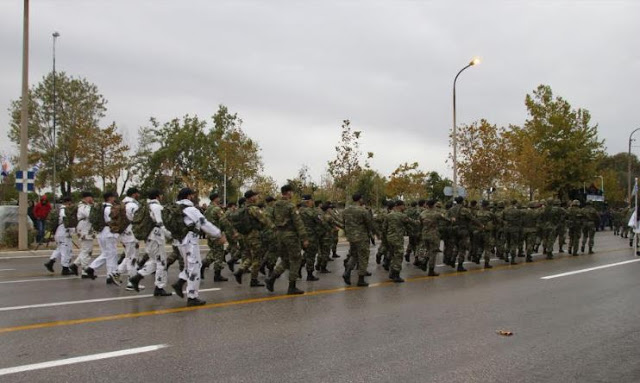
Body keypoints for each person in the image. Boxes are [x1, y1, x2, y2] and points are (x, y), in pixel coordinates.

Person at [170, 187, 226, 307]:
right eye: (193, 195)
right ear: (189, 196)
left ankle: (179, 283)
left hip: (179, 241)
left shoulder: (174, 208)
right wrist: (218, 234)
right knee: (194, 268)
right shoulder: (190, 209)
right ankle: (192, 297)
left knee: (190, 266)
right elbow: (203, 223)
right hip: (189, 241)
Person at [265, 184, 309, 295]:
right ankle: (292, 286)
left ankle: (271, 278)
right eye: (291, 192)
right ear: (288, 193)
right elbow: (298, 222)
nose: (292, 194)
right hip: (290, 236)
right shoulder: (290, 206)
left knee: (285, 259)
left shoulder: (275, 205)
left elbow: (268, 219)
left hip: (279, 235)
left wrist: (275, 229)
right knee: (295, 259)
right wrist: (304, 237)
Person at [127, 189, 172, 296]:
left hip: (149, 236)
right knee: (161, 262)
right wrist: (169, 234)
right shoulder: (156, 207)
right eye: (161, 195)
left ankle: (137, 277)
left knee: (154, 261)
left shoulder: (145, 206)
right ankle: (159, 287)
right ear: (157, 196)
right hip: (156, 237)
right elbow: (160, 222)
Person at [232, 190, 275, 287]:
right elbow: (264, 220)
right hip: (254, 236)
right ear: (251, 198)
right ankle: (253, 280)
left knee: (250, 257)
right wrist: (274, 228)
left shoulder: (243, 209)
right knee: (257, 258)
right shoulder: (254, 209)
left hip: (245, 236)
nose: (257, 197)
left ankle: (240, 270)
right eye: (255, 196)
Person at [84, 192, 120, 284]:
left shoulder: (99, 207)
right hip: (109, 232)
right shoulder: (109, 208)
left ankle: (91, 268)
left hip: (101, 233)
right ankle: (110, 275)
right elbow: (110, 220)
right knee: (112, 255)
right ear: (110, 198)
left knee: (106, 253)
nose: (115, 199)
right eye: (113, 197)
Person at [202, 192, 236, 282]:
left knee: (214, 252)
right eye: (218, 198)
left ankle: (203, 264)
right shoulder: (217, 209)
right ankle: (217, 275)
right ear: (215, 199)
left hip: (209, 234)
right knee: (219, 254)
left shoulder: (207, 209)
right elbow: (224, 221)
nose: (219, 199)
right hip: (216, 234)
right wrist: (232, 232)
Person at [342, 194, 374, 287]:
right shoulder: (363, 210)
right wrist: (372, 233)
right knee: (363, 257)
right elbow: (369, 224)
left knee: (354, 255)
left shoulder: (346, 210)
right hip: (361, 237)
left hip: (351, 237)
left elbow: (344, 223)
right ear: (360, 199)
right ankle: (361, 279)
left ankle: (347, 272)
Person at [383, 200, 416, 283]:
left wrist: (385, 239)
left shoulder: (388, 215)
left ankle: (391, 273)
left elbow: (384, 228)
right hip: (397, 239)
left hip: (390, 238)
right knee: (398, 256)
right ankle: (396, 275)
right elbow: (413, 222)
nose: (404, 207)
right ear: (400, 206)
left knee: (393, 256)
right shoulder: (402, 216)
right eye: (403, 205)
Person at [117, 188, 143, 290]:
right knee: (132, 258)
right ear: (134, 194)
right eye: (138, 193)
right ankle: (131, 282)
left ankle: (116, 273)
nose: (139, 195)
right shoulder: (132, 205)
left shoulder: (122, 203)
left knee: (128, 256)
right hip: (131, 233)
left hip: (123, 233)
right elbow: (137, 219)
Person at [44, 196, 74, 274]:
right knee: (65, 249)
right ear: (68, 202)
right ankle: (65, 268)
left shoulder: (59, 209)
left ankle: (50, 262)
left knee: (59, 248)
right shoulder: (64, 210)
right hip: (64, 232)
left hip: (59, 232)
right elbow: (66, 221)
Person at [298, 194, 322, 281]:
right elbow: (319, 220)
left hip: (301, 235)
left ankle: (298, 268)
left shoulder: (298, 210)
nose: (313, 202)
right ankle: (310, 274)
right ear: (308, 201)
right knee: (311, 255)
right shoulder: (311, 211)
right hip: (310, 235)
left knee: (306, 254)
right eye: (312, 201)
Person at [72, 191, 95, 277]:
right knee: (87, 250)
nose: (92, 199)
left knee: (85, 249)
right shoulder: (83, 206)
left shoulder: (84, 206)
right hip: (85, 229)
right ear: (86, 198)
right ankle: (85, 270)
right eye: (90, 197)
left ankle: (75, 265)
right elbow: (90, 215)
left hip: (86, 228)